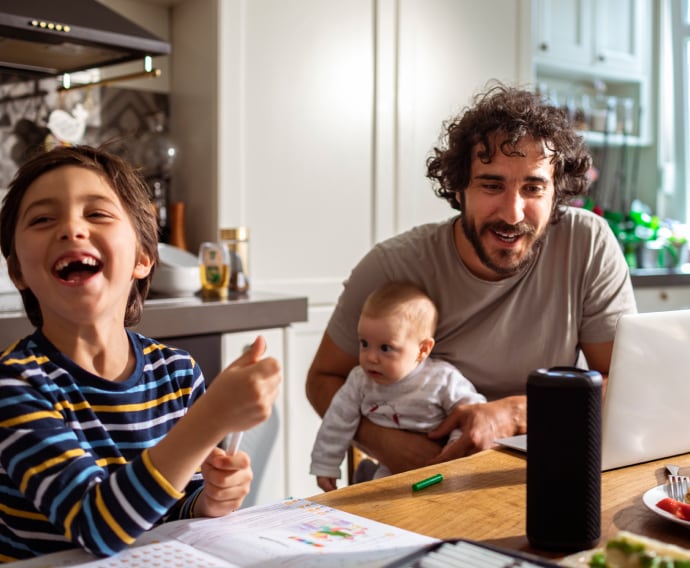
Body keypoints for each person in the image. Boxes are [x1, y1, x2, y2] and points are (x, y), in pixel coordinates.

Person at [306, 83, 637, 477]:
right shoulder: (393, 266)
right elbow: (323, 378)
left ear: (556, 192)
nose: (513, 214)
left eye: (533, 187)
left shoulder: (587, 244)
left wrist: (515, 414)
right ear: (459, 188)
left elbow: (624, 384)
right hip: (424, 477)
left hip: (547, 465)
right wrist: (392, 446)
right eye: (492, 185)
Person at [0, 145, 281, 562]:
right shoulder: (14, 386)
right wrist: (210, 420)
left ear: (144, 257)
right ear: (18, 271)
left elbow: (167, 506)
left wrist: (206, 501)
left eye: (96, 214)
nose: (72, 229)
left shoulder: (178, 373)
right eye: (43, 219)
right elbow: (96, 525)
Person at [309, 282, 486, 491]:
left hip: (444, 466)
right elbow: (337, 420)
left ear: (422, 349)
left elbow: (474, 414)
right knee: (380, 499)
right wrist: (325, 465)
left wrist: (453, 455)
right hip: (390, 468)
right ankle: (366, 475)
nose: (371, 357)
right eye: (364, 343)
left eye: (386, 348)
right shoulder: (360, 381)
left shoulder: (441, 379)